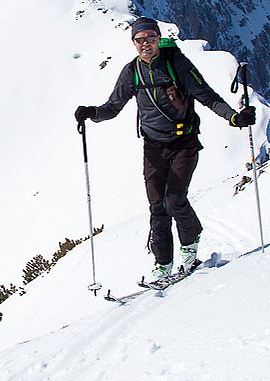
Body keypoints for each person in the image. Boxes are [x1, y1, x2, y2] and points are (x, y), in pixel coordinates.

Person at [75, 17, 257, 281]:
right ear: (133, 43)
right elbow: (112, 107)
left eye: (150, 38)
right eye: (140, 40)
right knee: (157, 206)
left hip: (184, 143)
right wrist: (91, 113)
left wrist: (233, 117)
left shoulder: (177, 64)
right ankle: (163, 264)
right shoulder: (132, 71)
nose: (146, 44)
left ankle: (190, 246)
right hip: (153, 147)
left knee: (174, 199)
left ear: (159, 39)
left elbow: (206, 96)